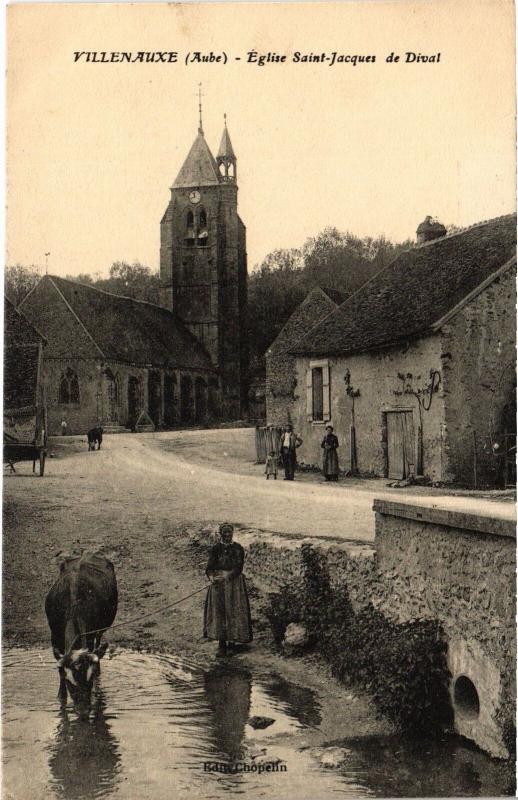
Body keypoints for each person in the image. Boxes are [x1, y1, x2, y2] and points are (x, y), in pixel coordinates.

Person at [204, 523, 253, 657]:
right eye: (224, 534)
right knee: (219, 612)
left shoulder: (238, 548)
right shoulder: (215, 549)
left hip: (234, 585)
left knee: (233, 611)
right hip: (218, 586)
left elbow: (239, 568)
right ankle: (221, 644)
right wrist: (212, 577)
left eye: (229, 534)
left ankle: (232, 643)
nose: (227, 536)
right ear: (220, 534)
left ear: (232, 534)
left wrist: (227, 576)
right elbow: (209, 567)